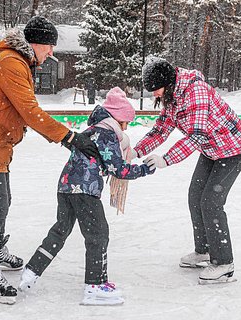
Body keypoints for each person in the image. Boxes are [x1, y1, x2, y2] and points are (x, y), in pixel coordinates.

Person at [0, 16, 99, 305]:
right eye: (49, 47)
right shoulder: (11, 63)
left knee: (3, 200)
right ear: (35, 44)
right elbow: (30, 112)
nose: (50, 54)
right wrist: (69, 137)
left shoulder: (17, 62)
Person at [18, 87, 154, 305]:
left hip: (65, 186)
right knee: (98, 234)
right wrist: (145, 169)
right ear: (118, 118)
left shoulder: (92, 130)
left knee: (60, 231)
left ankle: (31, 272)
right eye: (126, 122)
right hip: (85, 189)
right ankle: (94, 286)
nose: (127, 127)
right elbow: (118, 169)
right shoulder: (108, 133)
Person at [133, 56, 241, 285]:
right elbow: (161, 130)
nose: (154, 95)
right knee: (195, 196)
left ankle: (224, 263)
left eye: (156, 90)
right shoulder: (172, 96)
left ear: (167, 83)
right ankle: (204, 251)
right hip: (210, 150)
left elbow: (196, 136)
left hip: (232, 149)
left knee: (211, 201)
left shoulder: (196, 92)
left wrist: (166, 159)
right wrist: (135, 152)